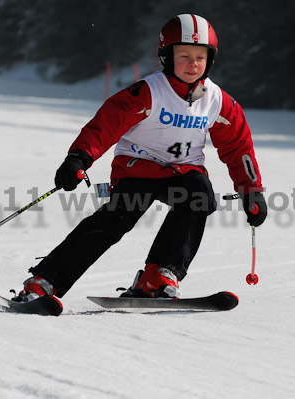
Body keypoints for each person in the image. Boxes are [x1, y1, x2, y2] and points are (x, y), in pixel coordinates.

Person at [14, 13, 267, 303]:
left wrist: (251, 190)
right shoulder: (148, 92)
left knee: (200, 195)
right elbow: (106, 124)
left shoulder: (218, 101)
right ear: (166, 56)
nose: (192, 64)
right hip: (137, 170)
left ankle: (158, 276)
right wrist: (79, 158)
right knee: (115, 220)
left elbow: (238, 146)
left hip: (183, 173)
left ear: (210, 60)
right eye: (183, 55)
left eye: (200, 56)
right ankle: (44, 282)